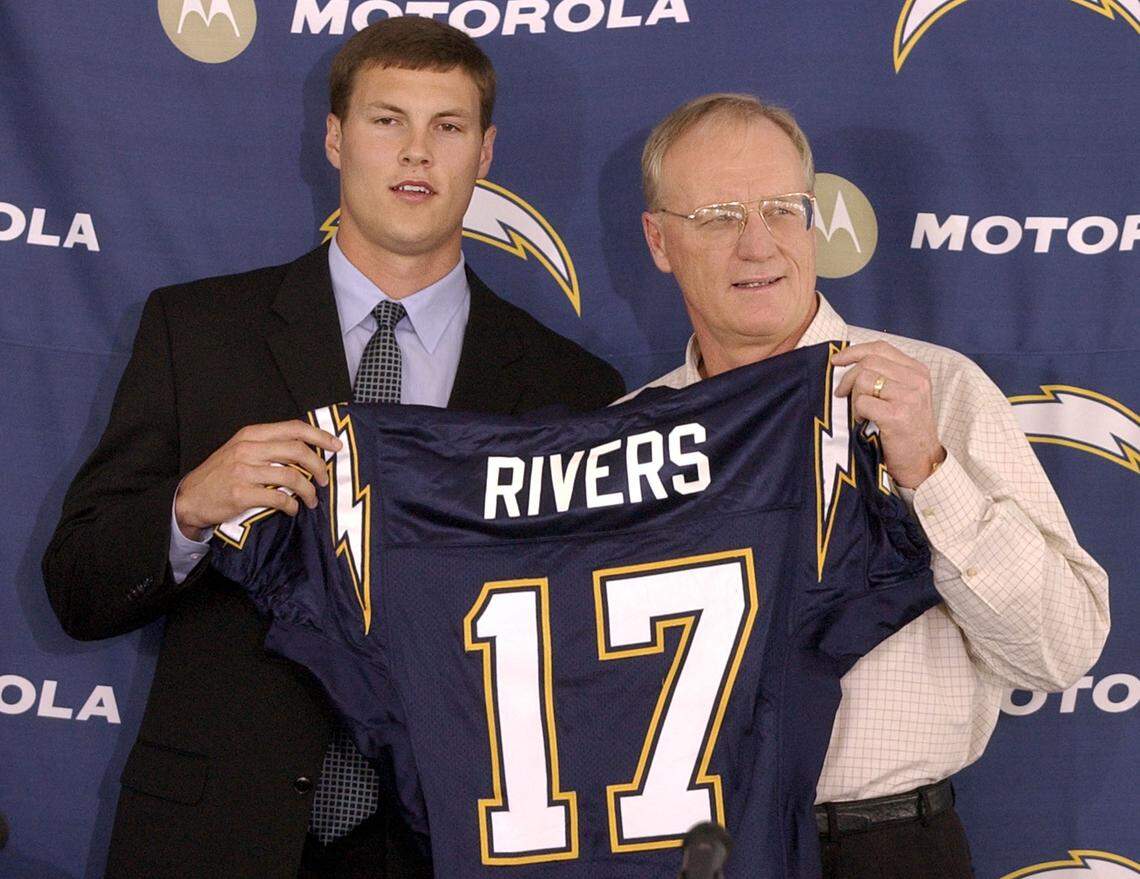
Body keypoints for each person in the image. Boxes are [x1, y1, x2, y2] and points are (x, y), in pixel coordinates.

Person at [42, 17, 623, 879]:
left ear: (486, 152)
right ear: (334, 137)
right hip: (217, 837)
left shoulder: (570, 388)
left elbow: (586, 659)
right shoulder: (197, 332)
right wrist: (189, 509)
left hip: (451, 844)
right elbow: (78, 589)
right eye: (388, 120)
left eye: (448, 126)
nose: (417, 152)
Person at [629, 93, 1109, 879]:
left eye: (781, 210)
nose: (758, 245)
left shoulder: (941, 391)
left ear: (813, 220)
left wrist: (928, 471)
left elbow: (1061, 649)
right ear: (658, 239)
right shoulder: (627, 437)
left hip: (893, 847)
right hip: (700, 851)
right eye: (718, 217)